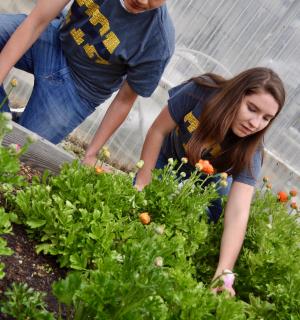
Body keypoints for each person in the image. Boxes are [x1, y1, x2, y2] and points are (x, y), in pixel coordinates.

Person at [135, 67, 285, 295]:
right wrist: (142, 184)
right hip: (167, 160)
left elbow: (238, 212)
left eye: (266, 118)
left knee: (200, 226)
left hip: (208, 182)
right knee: (141, 208)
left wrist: (224, 272)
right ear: (237, 94)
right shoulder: (199, 92)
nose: (255, 124)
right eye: (251, 109)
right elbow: (158, 131)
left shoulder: (252, 150)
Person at [0, 0, 175, 166]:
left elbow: (124, 100)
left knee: (18, 150)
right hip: (53, 40)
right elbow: (36, 22)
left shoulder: (158, 42)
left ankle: (18, 119)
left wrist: (91, 153)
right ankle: (8, 116)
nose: (143, 1)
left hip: (78, 91)